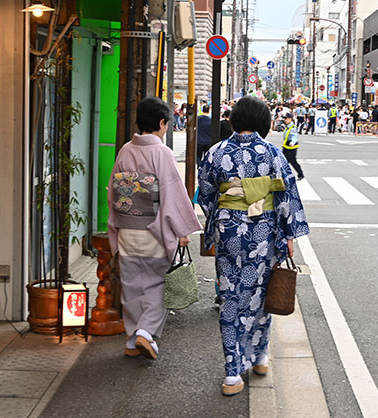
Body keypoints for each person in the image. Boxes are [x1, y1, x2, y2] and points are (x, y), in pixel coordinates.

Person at [197, 95, 310, 396]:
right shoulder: (273, 153)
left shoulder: (217, 151)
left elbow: (205, 193)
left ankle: (232, 373)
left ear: (234, 120)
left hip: (229, 234)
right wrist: (289, 237)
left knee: (231, 297)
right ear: (264, 123)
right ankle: (259, 357)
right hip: (263, 234)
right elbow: (287, 196)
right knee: (261, 295)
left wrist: (222, 218)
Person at [107, 96, 202, 360]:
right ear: (161, 123)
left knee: (131, 284)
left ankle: (131, 341)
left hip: (127, 228)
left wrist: (117, 222)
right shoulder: (162, 153)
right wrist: (181, 231)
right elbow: (173, 195)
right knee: (159, 284)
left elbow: (113, 192)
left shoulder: (125, 150)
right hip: (154, 230)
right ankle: (145, 332)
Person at [282, 112, 305, 180]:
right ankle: (283, 176)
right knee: (284, 162)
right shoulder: (287, 127)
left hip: (291, 147)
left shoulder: (293, 127)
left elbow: (294, 136)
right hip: (286, 147)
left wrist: (292, 142)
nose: (284, 120)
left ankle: (300, 174)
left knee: (293, 161)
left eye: (286, 118)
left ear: (290, 119)